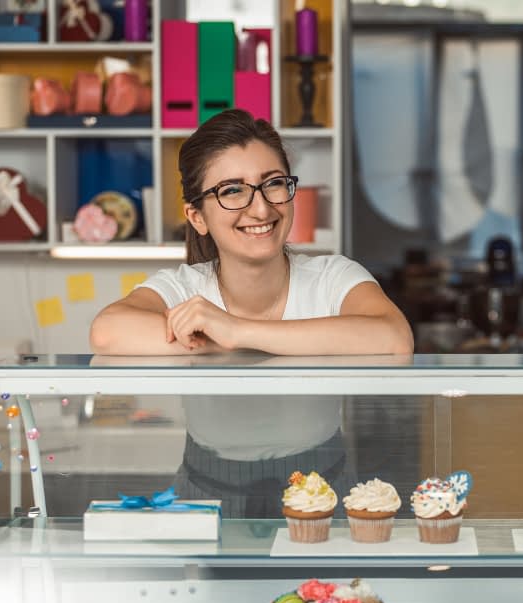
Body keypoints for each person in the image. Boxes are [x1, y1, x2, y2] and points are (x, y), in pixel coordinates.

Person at [89, 109, 413, 516]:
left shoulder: (333, 276)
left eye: (273, 184)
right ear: (197, 216)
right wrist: (232, 341)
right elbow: (108, 331)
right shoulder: (185, 286)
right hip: (206, 490)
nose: (260, 210)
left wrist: (236, 331)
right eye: (232, 191)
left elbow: (392, 337)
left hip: (323, 489)